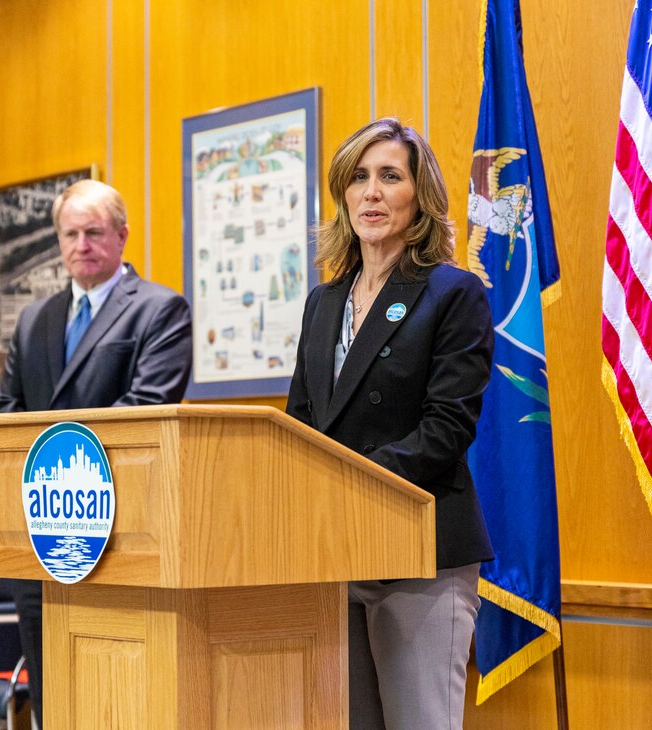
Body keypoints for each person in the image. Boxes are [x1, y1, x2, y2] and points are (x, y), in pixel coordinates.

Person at [286, 118, 494, 729]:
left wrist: (349, 486)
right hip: (335, 554)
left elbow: (447, 427)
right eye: (358, 177)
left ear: (419, 197)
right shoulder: (323, 301)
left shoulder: (453, 293)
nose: (371, 193)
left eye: (390, 176)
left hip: (419, 550)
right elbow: (300, 420)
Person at [0, 179, 193, 727]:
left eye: (94, 232)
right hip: (39, 532)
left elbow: (144, 408)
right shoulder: (35, 318)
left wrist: (58, 457)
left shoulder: (159, 309)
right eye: (70, 234)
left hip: (118, 531)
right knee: (52, 690)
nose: (81, 244)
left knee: (112, 692)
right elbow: (5, 408)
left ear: (122, 236)